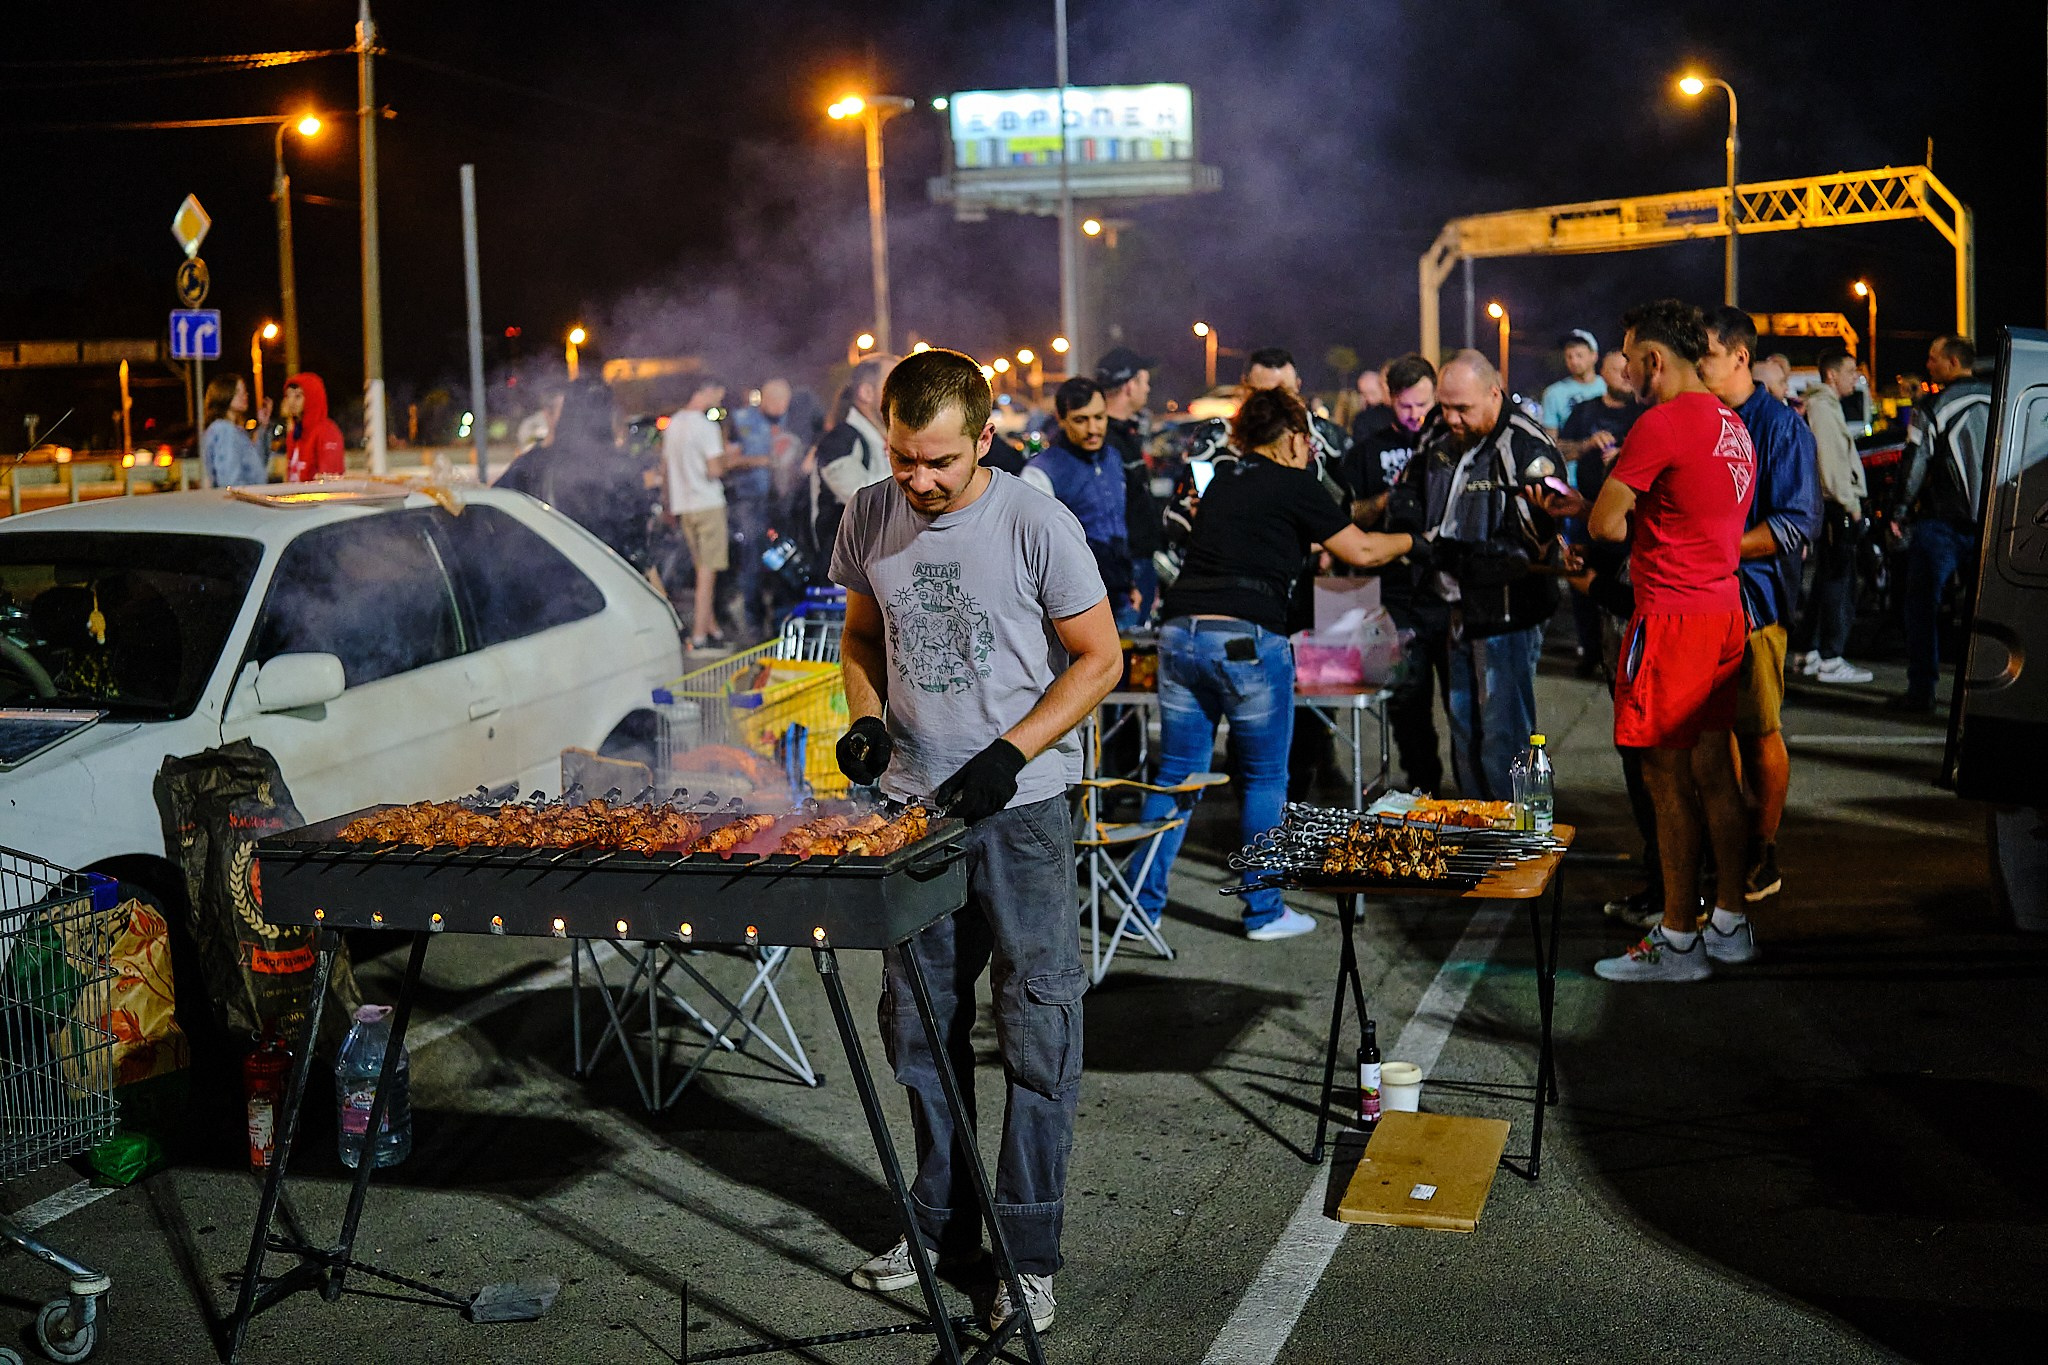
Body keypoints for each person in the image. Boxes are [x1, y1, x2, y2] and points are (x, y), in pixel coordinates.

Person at [831, 347, 1122, 1335]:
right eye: (903, 457)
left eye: (939, 462)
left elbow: (1098, 658)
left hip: (1020, 810)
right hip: (910, 810)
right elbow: (861, 637)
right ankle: (937, 1230)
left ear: (983, 441)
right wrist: (867, 719)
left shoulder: (1035, 521)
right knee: (917, 1028)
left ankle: (1028, 1255)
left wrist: (1010, 752)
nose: (918, 480)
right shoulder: (868, 512)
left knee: (1038, 1027)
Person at [1135, 386, 1413, 940]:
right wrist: (1418, 538)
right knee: (1265, 779)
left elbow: (1265, 540)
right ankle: (1264, 910)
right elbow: (1361, 552)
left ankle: (1142, 908)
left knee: (1176, 776)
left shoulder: (1223, 483)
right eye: (1306, 439)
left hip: (1181, 634)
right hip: (1247, 639)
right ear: (1289, 437)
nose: (1310, 448)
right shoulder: (1295, 483)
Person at [1588, 299, 1757, 983]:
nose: (1627, 373)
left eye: (1630, 362)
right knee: (1715, 770)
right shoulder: (1731, 421)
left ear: (1655, 361)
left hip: (1673, 615)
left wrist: (1631, 521)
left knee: (1664, 778)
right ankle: (1731, 919)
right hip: (1722, 606)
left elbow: (1604, 524)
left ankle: (1679, 935)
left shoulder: (1661, 422)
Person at [1385, 350, 1560, 800]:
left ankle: (1515, 845)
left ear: (1494, 394)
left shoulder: (1527, 447)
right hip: (1452, 611)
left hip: (1506, 615)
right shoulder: (1439, 433)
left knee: (1504, 736)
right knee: (1464, 730)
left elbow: (1530, 547)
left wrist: (1442, 552)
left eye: (1462, 408)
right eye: (1444, 406)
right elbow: (1408, 485)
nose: (1451, 418)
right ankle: (1476, 837)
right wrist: (1410, 528)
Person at [1698, 306, 1821, 905]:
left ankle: (1763, 847)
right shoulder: (1700, 419)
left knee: (1757, 731)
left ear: (1739, 355)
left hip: (1754, 604)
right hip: (1699, 602)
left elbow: (1796, 522)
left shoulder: (1779, 426)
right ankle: (1727, 845)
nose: (1697, 367)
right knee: (1711, 736)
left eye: (1706, 354)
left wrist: (1714, 548)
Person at [1336, 352, 1445, 793]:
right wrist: (1383, 500)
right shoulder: (1368, 448)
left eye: (1423, 404)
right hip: (1390, 594)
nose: (1416, 415)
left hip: (1442, 589)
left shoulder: (1448, 441)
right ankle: (1424, 786)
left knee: (1464, 704)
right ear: (1390, 400)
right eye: (1406, 406)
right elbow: (1344, 516)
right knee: (1406, 700)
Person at [1889, 335, 1991, 712]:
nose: (1928, 366)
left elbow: (1914, 464)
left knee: (1922, 606)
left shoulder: (1933, 406)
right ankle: (1988, 694)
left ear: (1951, 361)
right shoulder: (2000, 397)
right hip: (1993, 525)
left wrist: (1900, 511)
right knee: (1991, 612)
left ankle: (1922, 692)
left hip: (1943, 525)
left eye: (1933, 360)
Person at [1556, 350, 1647, 676]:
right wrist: (1587, 445)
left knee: (1624, 583)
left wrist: (1627, 452)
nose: (1624, 374)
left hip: (1627, 514)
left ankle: (1625, 655)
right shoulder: (1585, 411)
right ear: (1602, 374)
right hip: (1586, 509)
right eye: (1616, 369)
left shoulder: (1644, 413)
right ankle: (1590, 651)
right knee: (1582, 580)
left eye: (1627, 369)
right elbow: (1560, 449)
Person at [496, 378, 650, 568]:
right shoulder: (621, 467)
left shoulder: (530, 465)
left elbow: (497, 513)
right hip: (608, 582)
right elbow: (634, 541)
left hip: (547, 579)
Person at [1023, 377, 1139, 625]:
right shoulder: (1041, 472)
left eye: (1099, 417)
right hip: (1075, 606)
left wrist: (1130, 583)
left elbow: (1118, 525)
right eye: (1080, 419)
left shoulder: (1112, 458)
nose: (1093, 429)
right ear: (1061, 419)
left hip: (1120, 596)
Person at [1792, 349, 1874, 684]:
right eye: (1850, 371)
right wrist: (1851, 505)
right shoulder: (1823, 408)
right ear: (1831, 375)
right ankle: (1831, 657)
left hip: (1831, 507)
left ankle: (1810, 652)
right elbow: (1831, 466)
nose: (1855, 377)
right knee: (1839, 582)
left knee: (1827, 578)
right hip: (1837, 507)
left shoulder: (1823, 405)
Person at [804, 355, 894, 581]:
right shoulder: (840, 441)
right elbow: (863, 498)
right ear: (866, 393)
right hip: (847, 582)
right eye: (895, 382)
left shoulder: (884, 439)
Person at [661, 377, 735, 649]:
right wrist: (727, 459)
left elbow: (665, 468)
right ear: (707, 390)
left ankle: (712, 629)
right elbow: (715, 469)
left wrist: (668, 504)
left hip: (684, 506)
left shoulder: (674, 424)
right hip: (708, 504)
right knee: (707, 572)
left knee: (701, 567)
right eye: (719, 393)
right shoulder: (705, 426)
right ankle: (700, 635)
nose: (719, 399)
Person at [1096, 347, 1162, 623]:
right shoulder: (1106, 442)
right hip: (1127, 570)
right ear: (1129, 385)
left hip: (1132, 564)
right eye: (1144, 380)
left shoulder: (1121, 435)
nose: (1147, 388)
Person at [727, 378, 795, 638]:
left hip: (786, 503)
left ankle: (782, 621)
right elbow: (729, 461)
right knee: (752, 562)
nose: (780, 406)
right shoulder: (741, 420)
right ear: (763, 399)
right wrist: (764, 461)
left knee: (783, 563)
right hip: (751, 501)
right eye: (774, 400)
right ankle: (753, 622)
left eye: (784, 401)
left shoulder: (794, 420)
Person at [200, 374, 271, 488]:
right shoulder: (224, 429)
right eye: (238, 392)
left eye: (244, 392)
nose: (244, 396)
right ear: (223, 394)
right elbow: (229, 479)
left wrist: (263, 426)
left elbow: (255, 465)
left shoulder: (231, 429)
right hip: (239, 501)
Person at [280, 373, 345, 482]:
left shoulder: (327, 431)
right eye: (288, 396)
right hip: (296, 496)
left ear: (312, 397)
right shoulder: (295, 434)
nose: (291, 402)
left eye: (298, 396)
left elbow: (330, 479)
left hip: (315, 497)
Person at [1540, 329, 1606, 434]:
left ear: (1594, 356)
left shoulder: (1608, 387)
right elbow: (1551, 441)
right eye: (1569, 356)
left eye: (1579, 355)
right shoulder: (1553, 393)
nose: (1574, 361)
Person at [1349, 365, 1396, 445]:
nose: (1369, 399)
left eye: (1372, 393)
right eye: (1364, 394)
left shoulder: (1399, 412)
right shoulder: (1362, 419)